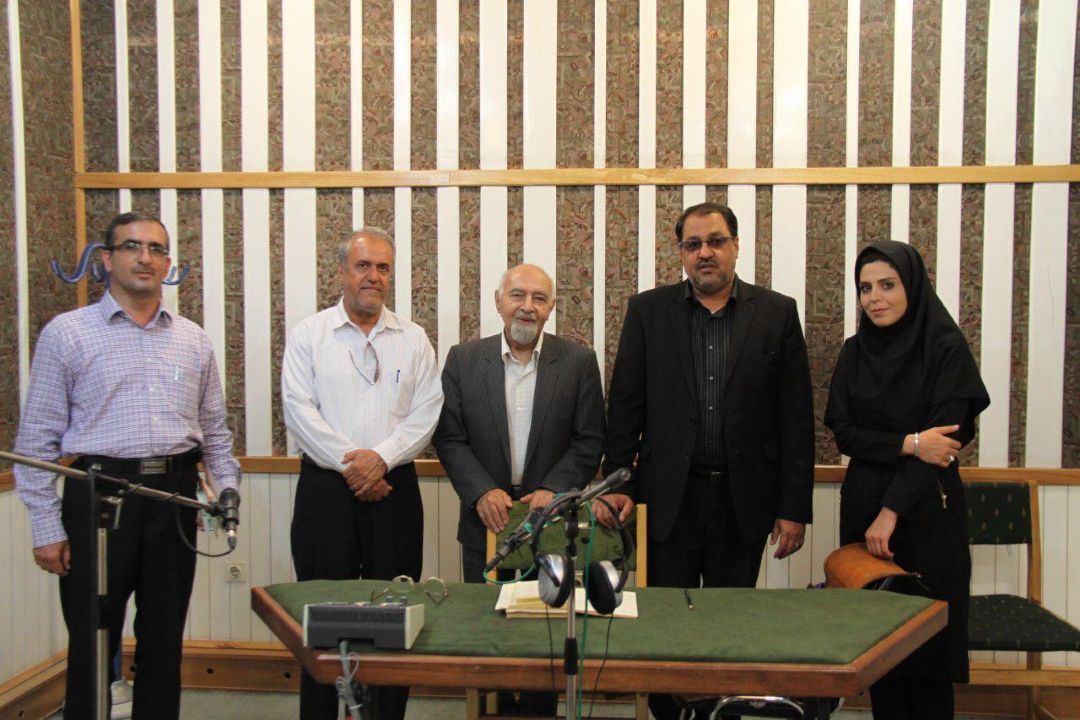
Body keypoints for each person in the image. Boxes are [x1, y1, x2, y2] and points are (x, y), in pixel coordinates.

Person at [14, 212, 240, 719]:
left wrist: (228, 491)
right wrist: (46, 527)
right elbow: (35, 443)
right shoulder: (67, 334)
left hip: (174, 496)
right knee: (93, 636)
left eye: (157, 249)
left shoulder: (192, 339)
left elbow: (215, 432)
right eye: (133, 246)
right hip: (98, 495)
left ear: (168, 263)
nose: (145, 258)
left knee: (165, 636)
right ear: (107, 258)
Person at [598, 202, 815, 720]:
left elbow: (795, 418)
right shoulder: (648, 312)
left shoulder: (777, 313)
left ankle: (724, 711)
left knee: (728, 627)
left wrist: (793, 507)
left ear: (736, 246)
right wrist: (617, 483)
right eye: (693, 244)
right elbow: (625, 404)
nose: (705, 253)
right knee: (665, 624)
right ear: (681, 253)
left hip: (744, 503)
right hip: (669, 499)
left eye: (716, 241)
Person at [281, 227, 443, 720]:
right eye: (363, 265)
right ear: (341, 272)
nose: (373, 276)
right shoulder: (310, 335)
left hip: (395, 491)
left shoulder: (413, 338)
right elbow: (298, 410)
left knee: (394, 617)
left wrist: (380, 460)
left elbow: (426, 413)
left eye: (383, 267)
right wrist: (355, 466)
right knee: (321, 617)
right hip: (325, 493)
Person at [825, 240, 989, 719]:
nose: (875, 298)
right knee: (880, 652)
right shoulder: (855, 352)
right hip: (864, 508)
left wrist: (891, 510)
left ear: (912, 287)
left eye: (887, 285)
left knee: (928, 654)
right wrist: (911, 442)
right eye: (865, 288)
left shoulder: (945, 348)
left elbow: (946, 443)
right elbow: (845, 431)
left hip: (926, 512)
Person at [433, 263, 604, 716]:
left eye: (539, 298)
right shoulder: (464, 360)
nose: (527, 306)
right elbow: (449, 437)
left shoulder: (578, 362)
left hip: (549, 519)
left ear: (551, 307)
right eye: (517, 295)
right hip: (485, 518)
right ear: (498, 302)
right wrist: (480, 491)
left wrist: (554, 489)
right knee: (488, 628)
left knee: (542, 634)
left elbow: (590, 440)